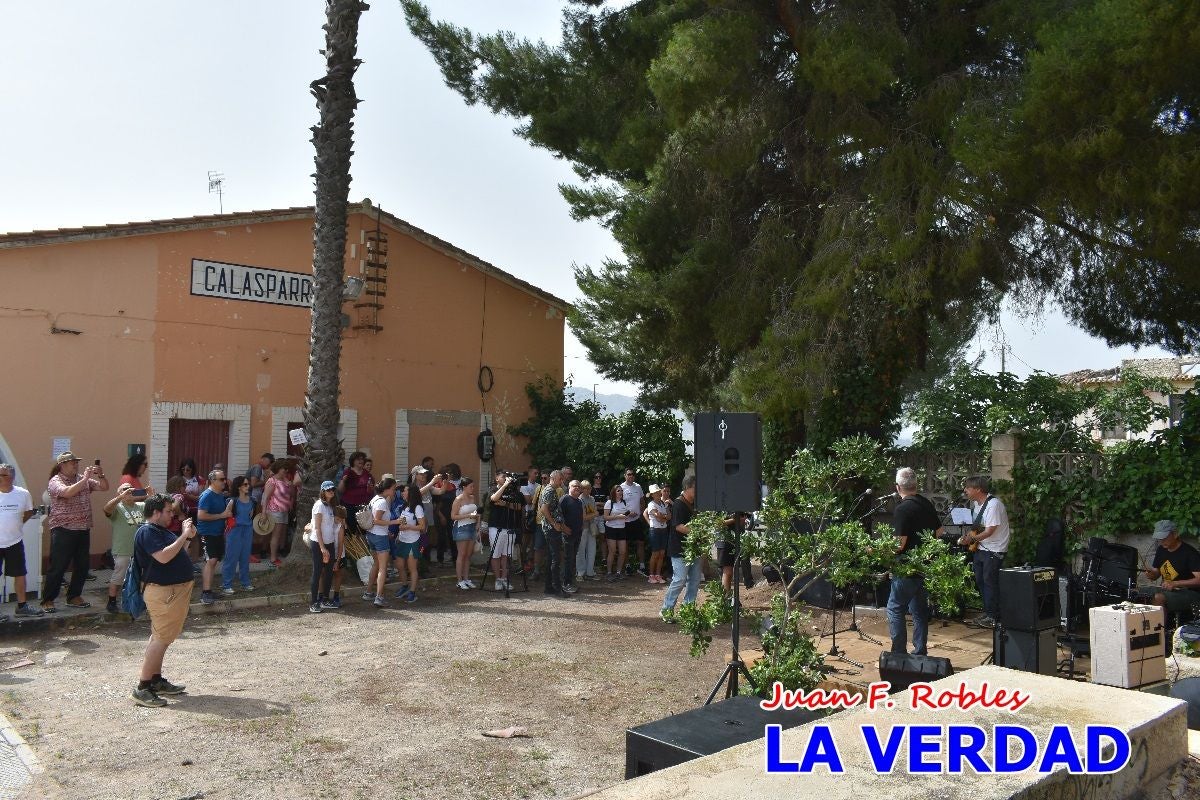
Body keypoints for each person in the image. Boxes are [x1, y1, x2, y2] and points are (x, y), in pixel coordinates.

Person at [131, 493, 196, 707]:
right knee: (160, 638)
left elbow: (177, 554)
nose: (171, 515)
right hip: (164, 592)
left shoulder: (161, 531)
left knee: (162, 636)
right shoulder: (147, 531)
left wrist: (187, 537)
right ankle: (142, 688)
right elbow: (164, 556)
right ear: (156, 513)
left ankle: (155, 680)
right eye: (168, 511)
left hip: (172, 592)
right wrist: (183, 534)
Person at [43, 451, 109, 612]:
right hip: (63, 529)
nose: (76, 465)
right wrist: (85, 479)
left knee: (82, 565)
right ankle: (48, 600)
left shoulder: (81, 478)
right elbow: (67, 492)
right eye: (72, 462)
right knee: (58, 566)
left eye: (76, 462)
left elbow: (104, 487)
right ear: (62, 465)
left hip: (83, 528)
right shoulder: (55, 481)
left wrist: (101, 475)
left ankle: (74, 596)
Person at [888, 467, 941, 656]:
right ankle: (920, 651)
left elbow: (899, 545)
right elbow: (939, 532)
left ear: (897, 487)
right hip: (925, 565)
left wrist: (877, 549)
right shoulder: (926, 503)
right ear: (916, 485)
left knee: (895, 608)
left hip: (906, 567)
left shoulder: (902, 509)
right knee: (919, 611)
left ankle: (898, 653)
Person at [961, 475, 1009, 628]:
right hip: (982, 548)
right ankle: (989, 612)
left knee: (990, 582)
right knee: (981, 581)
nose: (965, 490)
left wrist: (972, 539)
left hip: (994, 549)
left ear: (978, 489)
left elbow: (989, 531)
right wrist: (968, 536)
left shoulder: (993, 505)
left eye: (968, 487)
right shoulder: (977, 505)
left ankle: (994, 617)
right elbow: (978, 529)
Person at [0, 464, 44, 619]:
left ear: (12, 477)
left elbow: (28, 513)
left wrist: (15, 525)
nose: (0, 477)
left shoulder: (22, 494)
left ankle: (22, 606)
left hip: (14, 541)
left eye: (3, 475)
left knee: (20, 574)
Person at [661, 476, 702, 623]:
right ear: (687, 488)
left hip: (694, 548)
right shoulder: (678, 504)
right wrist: (698, 532)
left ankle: (687, 611)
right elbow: (678, 526)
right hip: (679, 548)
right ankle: (666, 610)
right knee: (679, 580)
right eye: (695, 487)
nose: (698, 490)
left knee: (695, 580)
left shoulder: (695, 503)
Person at [1142, 520, 1200, 615]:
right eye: (1159, 539)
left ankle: (1161, 629)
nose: (1161, 541)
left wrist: (1176, 583)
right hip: (1167, 590)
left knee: (1158, 598)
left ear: (1175, 534)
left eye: (1164, 538)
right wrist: (1151, 574)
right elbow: (1156, 574)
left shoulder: (1190, 553)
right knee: (1136, 593)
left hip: (1190, 593)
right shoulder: (1161, 550)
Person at [103, 483, 144, 614]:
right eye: (124, 490)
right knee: (119, 576)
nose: (128, 491)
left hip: (140, 550)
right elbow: (106, 509)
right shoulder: (118, 508)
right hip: (122, 549)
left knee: (140, 577)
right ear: (119, 493)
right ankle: (112, 601)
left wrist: (150, 493)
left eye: (130, 489)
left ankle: (137, 601)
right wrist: (120, 497)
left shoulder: (141, 506)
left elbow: (156, 509)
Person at [194, 469, 231, 605]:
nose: (224, 482)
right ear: (212, 481)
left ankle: (209, 590)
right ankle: (205, 593)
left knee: (214, 561)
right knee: (211, 561)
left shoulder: (220, 495)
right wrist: (222, 516)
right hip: (207, 533)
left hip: (218, 532)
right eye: (221, 479)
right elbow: (201, 515)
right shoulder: (207, 496)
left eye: (224, 479)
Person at [363, 477, 400, 607]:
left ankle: (368, 593)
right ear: (388, 489)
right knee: (383, 568)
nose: (395, 490)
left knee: (376, 564)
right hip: (379, 537)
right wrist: (394, 522)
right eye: (394, 488)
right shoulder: (382, 502)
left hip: (372, 535)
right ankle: (379, 597)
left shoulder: (375, 499)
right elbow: (376, 520)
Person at [308, 481, 343, 613]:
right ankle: (313, 602)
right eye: (328, 490)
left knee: (329, 572)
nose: (331, 492)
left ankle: (325, 599)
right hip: (318, 543)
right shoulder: (319, 506)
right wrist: (322, 548)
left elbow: (330, 525)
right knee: (317, 572)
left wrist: (338, 521)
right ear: (323, 491)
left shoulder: (330, 506)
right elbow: (317, 528)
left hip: (329, 542)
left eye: (333, 489)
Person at [488, 473, 522, 591]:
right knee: (496, 554)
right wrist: (504, 486)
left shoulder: (512, 491)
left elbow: (518, 507)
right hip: (496, 526)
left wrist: (506, 504)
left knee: (506, 555)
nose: (506, 479)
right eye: (503, 477)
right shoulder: (493, 489)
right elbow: (494, 498)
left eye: (507, 477)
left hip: (509, 527)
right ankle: (497, 579)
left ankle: (504, 579)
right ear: (497, 478)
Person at [392, 483, 426, 603]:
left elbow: (422, 526)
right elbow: (403, 522)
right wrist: (400, 532)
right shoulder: (405, 506)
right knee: (400, 566)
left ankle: (412, 592)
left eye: (405, 491)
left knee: (412, 568)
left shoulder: (417, 508)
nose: (402, 493)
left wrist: (408, 527)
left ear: (411, 493)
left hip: (413, 541)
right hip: (402, 540)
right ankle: (404, 586)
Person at [539, 470, 569, 597]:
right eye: (560, 479)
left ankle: (549, 587)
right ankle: (557, 588)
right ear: (553, 478)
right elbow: (544, 509)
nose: (562, 482)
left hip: (552, 528)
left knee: (552, 558)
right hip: (551, 529)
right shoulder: (550, 491)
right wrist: (554, 524)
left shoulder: (551, 490)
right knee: (555, 559)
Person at [223, 476, 256, 593]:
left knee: (245, 557)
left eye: (248, 484)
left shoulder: (252, 501)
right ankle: (227, 585)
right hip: (234, 531)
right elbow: (226, 515)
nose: (248, 486)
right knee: (231, 557)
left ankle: (245, 582)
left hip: (247, 530)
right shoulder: (233, 501)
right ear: (239, 487)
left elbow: (250, 516)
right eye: (245, 484)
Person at [261, 461, 295, 566]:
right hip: (275, 511)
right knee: (276, 535)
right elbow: (266, 497)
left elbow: (292, 494)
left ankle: (274, 556)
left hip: (284, 511)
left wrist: (290, 485)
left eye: (286, 468)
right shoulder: (272, 481)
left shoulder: (285, 481)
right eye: (284, 468)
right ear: (278, 469)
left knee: (279, 535)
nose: (286, 470)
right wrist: (263, 513)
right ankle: (273, 559)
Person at [450, 477, 480, 589]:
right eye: (471, 486)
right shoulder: (458, 499)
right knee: (461, 555)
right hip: (461, 528)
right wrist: (468, 516)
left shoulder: (472, 498)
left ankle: (467, 578)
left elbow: (477, 512)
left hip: (472, 527)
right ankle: (459, 580)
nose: (473, 488)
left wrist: (478, 523)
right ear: (464, 487)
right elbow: (453, 516)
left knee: (468, 555)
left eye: (473, 486)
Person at [602, 485, 635, 581]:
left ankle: (618, 572)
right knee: (612, 551)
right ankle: (609, 573)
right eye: (618, 491)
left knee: (623, 551)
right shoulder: (609, 503)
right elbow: (605, 517)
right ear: (613, 492)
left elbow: (626, 514)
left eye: (621, 491)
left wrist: (629, 514)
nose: (620, 492)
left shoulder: (624, 502)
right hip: (611, 528)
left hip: (622, 528)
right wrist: (618, 517)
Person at [337, 451, 373, 537]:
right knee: (350, 528)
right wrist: (344, 480)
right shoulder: (348, 472)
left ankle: (361, 547)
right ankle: (351, 548)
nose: (361, 461)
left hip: (362, 506)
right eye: (358, 459)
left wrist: (369, 488)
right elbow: (340, 490)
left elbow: (370, 492)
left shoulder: (367, 474)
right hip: (348, 505)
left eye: (362, 459)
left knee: (363, 528)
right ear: (353, 461)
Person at [620, 469, 647, 575]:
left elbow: (642, 501)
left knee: (640, 542)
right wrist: (628, 513)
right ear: (625, 475)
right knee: (625, 544)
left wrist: (641, 513)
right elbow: (618, 503)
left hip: (636, 520)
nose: (631, 476)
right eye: (629, 474)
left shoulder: (638, 486)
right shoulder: (621, 487)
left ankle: (642, 566)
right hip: (625, 520)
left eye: (632, 474)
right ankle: (627, 566)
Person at [560, 479, 584, 594]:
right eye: (575, 486)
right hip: (567, 535)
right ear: (569, 487)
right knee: (567, 559)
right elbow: (558, 515)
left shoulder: (579, 501)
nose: (577, 488)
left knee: (572, 559)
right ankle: (565, 584)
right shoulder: (565, 499)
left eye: (579, 486)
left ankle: (569, 582)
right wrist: (563, 528)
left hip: (577, 534)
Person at [644, 484, 671, 584]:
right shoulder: (651, 504)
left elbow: (669, 516)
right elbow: (658, 517)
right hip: (655, 530)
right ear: (652, 495)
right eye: (655, 493)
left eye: (658, 492)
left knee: (662, 553)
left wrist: (662, 516)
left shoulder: (663, 504)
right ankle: (651, 575)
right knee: (655, 553)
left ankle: (658, 575)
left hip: (663, 530)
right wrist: (664, 517)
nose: (657, 494)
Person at [576, 480, 599, 581]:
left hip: (592, 527)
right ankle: (580, 573)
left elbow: (592, 513)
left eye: (588, 488)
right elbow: (583, 517)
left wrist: (592, 514)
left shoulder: (592, 499)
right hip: (583, 528)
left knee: (592, 550)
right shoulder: (579, 500)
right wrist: (594, 514)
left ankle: (590, 572)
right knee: (581, 551)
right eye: (584, 488)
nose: (587, 490)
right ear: (581, 489)